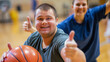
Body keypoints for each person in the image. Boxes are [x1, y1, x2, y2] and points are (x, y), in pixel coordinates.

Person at [23, 0, 110, 62]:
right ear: (73, 7)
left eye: (83, 4)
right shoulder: (66, 24)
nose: (81, 7)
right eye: (78, 4)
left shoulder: (93, 14)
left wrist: (75, 53)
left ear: (87, 6)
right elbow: (49, 31)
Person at [0, 3, 86, 62]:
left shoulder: (61, 39)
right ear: (35, 22)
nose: (44, 22)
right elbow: (22, 55)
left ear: (56, 21)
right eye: (40, 19)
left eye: (48, 18)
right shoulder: (34, 37)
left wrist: (75, 54)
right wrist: (10, 57)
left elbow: (74, 58)